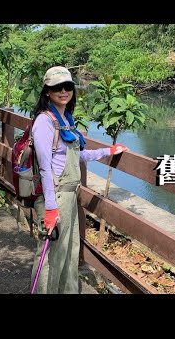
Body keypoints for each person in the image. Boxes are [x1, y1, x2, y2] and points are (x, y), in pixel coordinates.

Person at [30, 66, 128, 294]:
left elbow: (77, 155)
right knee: (51, 255)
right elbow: (45, 168)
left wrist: (107, 151)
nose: (63, 91)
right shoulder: (44, 122)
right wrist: (52, 209)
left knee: (69, 250)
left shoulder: (65, 118)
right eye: (57, 87)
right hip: (55, 195)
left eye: (67, 87)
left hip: (70, 194)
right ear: (47, 91)